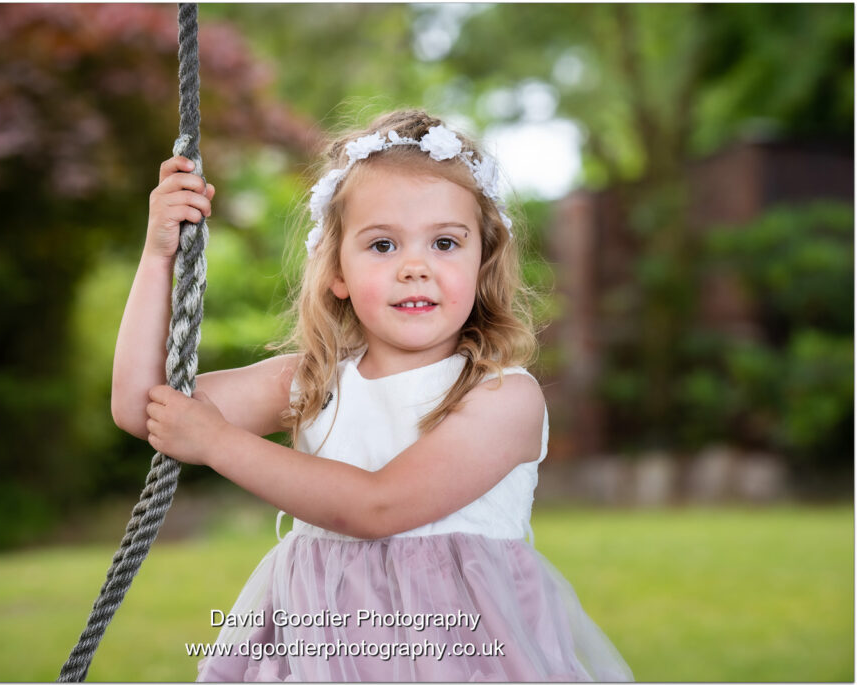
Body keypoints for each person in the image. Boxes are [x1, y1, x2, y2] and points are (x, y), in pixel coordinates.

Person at [111, 109, 634, 682]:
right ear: (337, 270)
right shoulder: (312, 382)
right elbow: (143, 406)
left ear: (483, 261)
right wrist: (158, 256)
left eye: (445, 242)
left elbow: (376, 508)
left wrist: (217, 443)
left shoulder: (503, 397)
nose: (415, 267)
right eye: (383, 245)